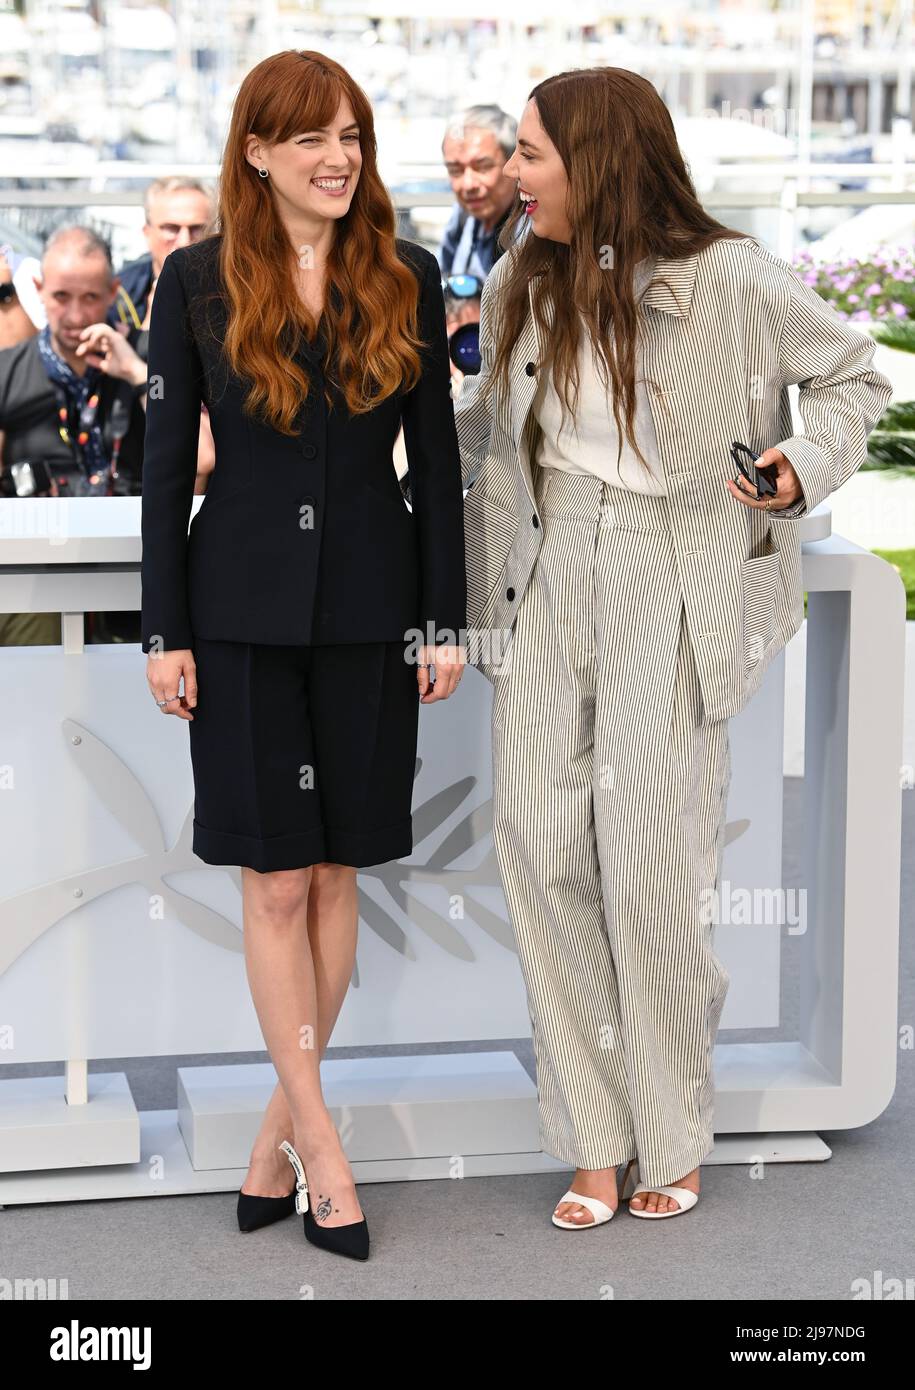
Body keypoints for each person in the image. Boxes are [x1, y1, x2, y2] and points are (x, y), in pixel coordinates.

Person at [454, 67, 892, 1228]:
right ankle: (593, 1140)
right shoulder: (519, 282)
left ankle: (673, 1126)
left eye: (532, 153)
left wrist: (797, 469)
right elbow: (489, 435)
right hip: (545, 564)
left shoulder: (729, 278)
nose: (511, 174)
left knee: (650, 865)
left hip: (676, 571)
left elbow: (854, 373)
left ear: (596, 159)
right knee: (539, 849)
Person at [141, 49, 466, 1261]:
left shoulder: (409, 276)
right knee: (273, 882)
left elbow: (433, 469)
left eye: (356, 136)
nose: (342, 157)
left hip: (378, 614)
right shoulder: (192, 282)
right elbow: (164, 470)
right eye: (316, 137)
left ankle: (279, 1127)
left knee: (337, 877)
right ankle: (327, 1154)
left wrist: (445, 619)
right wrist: (163, 629)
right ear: (259, 153)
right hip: (236, 617)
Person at [0, 227, 149, 646]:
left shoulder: (149, 354)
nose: (77, 316)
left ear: (114, 292)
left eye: (91, 298)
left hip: (138, 569)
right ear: (39, 289)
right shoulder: (9, 371)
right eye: (61, 297)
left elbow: (202, 458)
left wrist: (137, 374)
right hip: (38, 572)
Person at [107, 177, 215, 332]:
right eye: (171, 228)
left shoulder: (236, 288)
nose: (184, 242)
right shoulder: (121, 292)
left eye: (197, 229)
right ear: (147, 233)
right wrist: (150, 324)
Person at [438, 104, 518, 279]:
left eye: (482, 167)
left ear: (513, 164)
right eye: (455, 170)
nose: (468, 185)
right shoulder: (461, 217)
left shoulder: (536, 228)